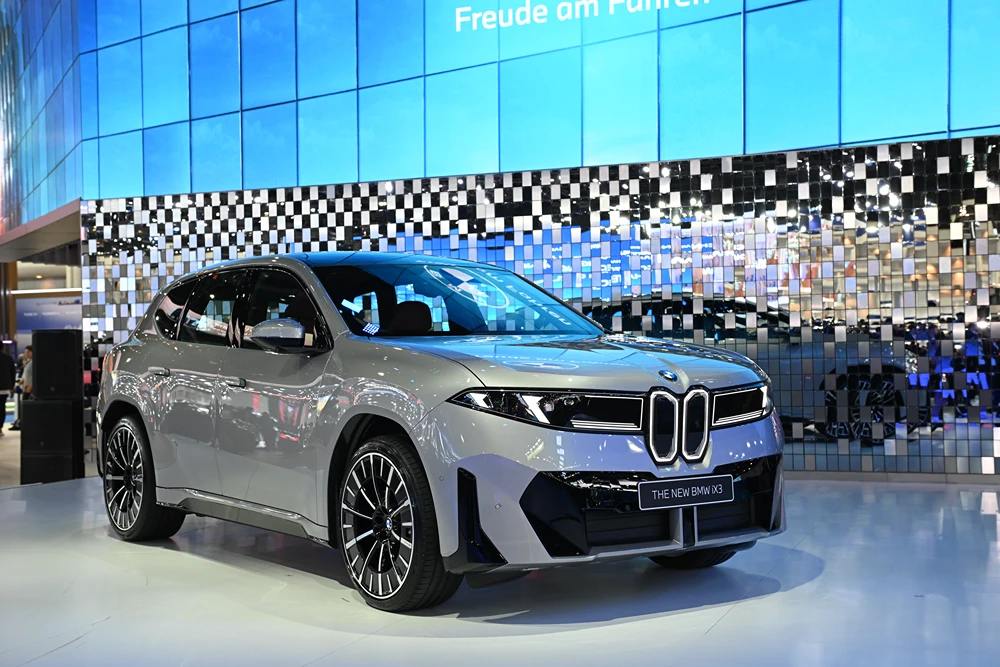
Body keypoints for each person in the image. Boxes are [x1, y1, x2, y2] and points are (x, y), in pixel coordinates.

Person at [10, 345, 31, 431]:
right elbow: (25, 376)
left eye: (28, 352)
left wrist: (29, 388)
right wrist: (19, 384)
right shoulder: (28, 362)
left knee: (26, 409)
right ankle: (21, 423)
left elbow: (33, 377)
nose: (26, 354)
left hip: (29, 389)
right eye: (25, 352)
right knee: (23, 408)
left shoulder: (33, 363)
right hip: (25, 388)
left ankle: (24, 424)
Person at [0, 345, 14, 436]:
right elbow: (12, 372)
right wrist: (11, 386)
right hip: (4, 388)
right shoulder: (8, 358)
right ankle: (0, 428)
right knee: (1, 408)